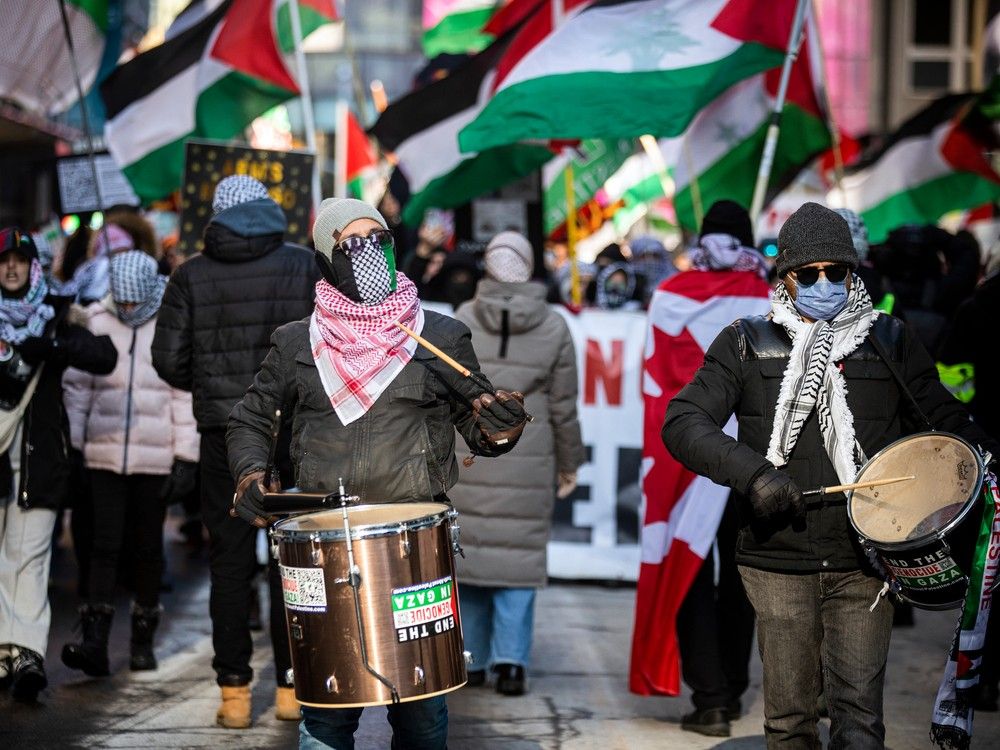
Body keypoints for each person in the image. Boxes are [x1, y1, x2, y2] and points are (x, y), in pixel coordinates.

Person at [661, 203, 999, 748]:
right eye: (809, 273)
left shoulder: (889, 340)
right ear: (786, 276)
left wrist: (986, 455)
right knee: (790, 721)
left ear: (853, 271)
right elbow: (683, 421)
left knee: (860, 720)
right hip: (777, 560)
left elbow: (945, 422)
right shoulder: (745, 340)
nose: (825, 284)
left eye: (836, 272)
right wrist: (755, 476)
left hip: (867, 560)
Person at [227, 197, 528, 749]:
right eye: (352, 243)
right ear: (325, 257)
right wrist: (250, 473)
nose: (369, 252)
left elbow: (479, 427)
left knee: (420, 713)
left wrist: (502, 428)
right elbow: (249, 419)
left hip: (414, 546)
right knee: (326, 712)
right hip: (324, 543)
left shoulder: (439, 336)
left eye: (380, 239)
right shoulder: (298, 342)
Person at [151, 174, 318, 728]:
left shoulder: (190, 275)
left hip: (223, 435)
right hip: (295, 433)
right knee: (293, 563)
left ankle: (235, 695)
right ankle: (294, 690)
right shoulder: (304, 265)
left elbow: (168, 361)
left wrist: (213, 381)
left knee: (229, 564)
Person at [631, 199, 770, 738]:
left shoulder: (668, 297)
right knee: (741, 576)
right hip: (752, 461)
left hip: (686, 458)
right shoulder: (771, 299)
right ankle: (732, 689)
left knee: (687, 574)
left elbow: (653, 388)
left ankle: (709, 697)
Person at [449, 231, 584, 696]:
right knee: (518, 563)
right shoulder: (554, 326)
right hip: (529, 457)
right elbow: (564, 406)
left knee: (471, 558)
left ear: (487, 266)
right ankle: (512, 664)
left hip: (472, 455)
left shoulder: (465, 317)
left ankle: (473, 660)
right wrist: (570, 463)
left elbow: (448, 394)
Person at [60, 250, 199, 676]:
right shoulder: (97, 325)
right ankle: (95, 640)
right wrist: (77, 448)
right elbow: (78, 391)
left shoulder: (168, 326)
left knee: (145, 548)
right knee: (102, 546)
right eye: (121, 303)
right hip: (103, 454)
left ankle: (142, 640)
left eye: (133, 305)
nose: (126, 311)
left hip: (155, 459)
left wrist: (184, 457)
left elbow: (182, 396)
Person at [0, 228, 117, 701]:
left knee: (29, 557)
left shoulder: (55, 313)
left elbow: (103, 356)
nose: (10, 267)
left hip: (40, 458)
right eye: (3, 260)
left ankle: (24, 653)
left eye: (19, 260)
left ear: (33, 266)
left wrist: (53, 347)